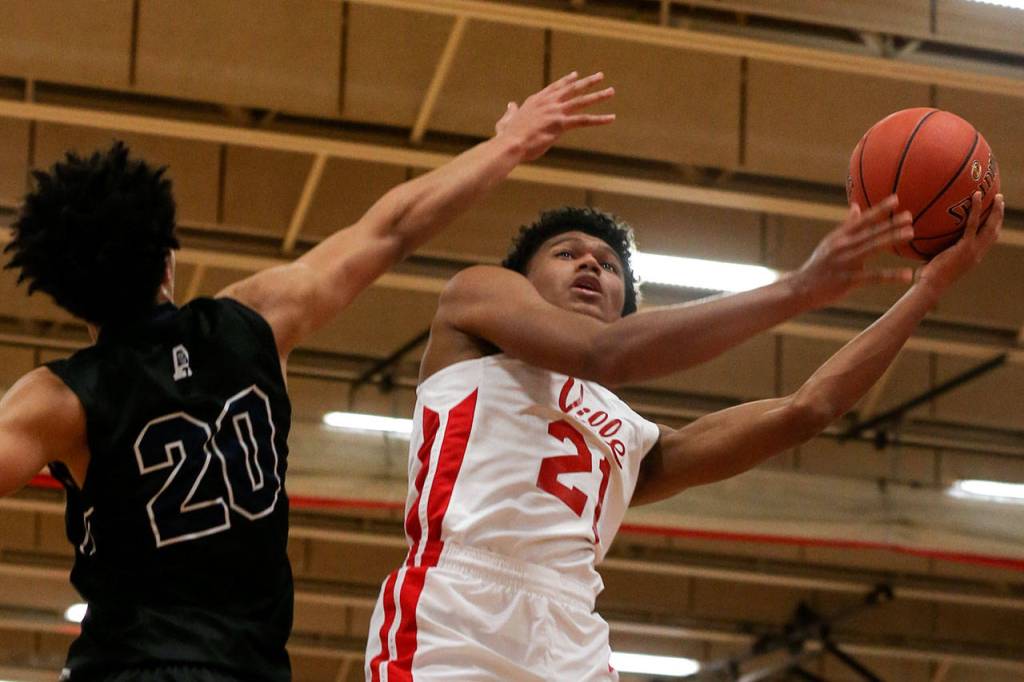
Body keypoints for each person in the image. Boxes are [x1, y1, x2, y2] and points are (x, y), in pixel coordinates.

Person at [0, 71, 615, 682]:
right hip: (248, 670)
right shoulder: (255, 320)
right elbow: (394, 227)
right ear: (168, 257)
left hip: (123, 667)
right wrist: (509, 142)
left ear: (66, 297)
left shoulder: (57, 396)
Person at [366, 191, 1004, 681]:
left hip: (573, 635)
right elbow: (603, 354)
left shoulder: (634, 441)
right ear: (523, 284)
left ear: (625, 304)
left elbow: (809, 408)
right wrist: (797, 290)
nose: (591, 261)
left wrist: (927, 292)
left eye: (609, 265)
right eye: (566, 253)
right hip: (455, 607)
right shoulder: (474, 305)